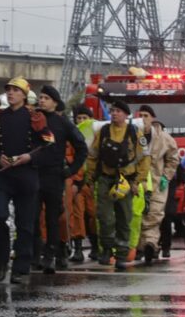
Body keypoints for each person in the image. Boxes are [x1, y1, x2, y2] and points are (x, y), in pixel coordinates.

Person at [0, 76, 52, 283]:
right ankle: (1, 260)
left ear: (24, 94)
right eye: (9, 90)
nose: (11, 93)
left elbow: (49, 145)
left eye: (15, 90)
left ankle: (21, 268)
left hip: (25, 175)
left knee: (25, 224)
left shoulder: (35, 117)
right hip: (2, 174)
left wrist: (30, 157)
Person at [85, 99, 150, 271]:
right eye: (112, 110)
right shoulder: (104, 132)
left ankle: (121, 255)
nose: (114, 113)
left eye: (118, 111)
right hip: (106, 180)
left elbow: (144, 159)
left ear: (126, 115)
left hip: (126, 182)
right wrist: (90, 178)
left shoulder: (135, 133)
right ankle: (106, 250)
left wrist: (138, 182)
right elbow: (93, 155)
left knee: (124, 218)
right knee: (104, 217)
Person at [32, 85, 86, 273]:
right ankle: (35, 253)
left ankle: (51, 255)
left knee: (53, 218)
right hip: (32, 173)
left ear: (55, 102)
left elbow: (82, 148)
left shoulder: (62, 123)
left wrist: (71, 171)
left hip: (54, 175)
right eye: (40, 97)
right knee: (32, 216)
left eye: (46, 98)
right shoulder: (33, 119)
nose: (42, 100)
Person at [135, 106, 179, 265]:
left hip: (156, 182)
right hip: (136, 183)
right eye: (140, 115)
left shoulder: (165, 138)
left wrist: (166, 176)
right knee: (137, 215)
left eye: (146, 115)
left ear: (152, 118)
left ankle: (150, 244)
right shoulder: (132, 135)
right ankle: (139, 247)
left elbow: (173, 159)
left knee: (154, 215)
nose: (143, 118)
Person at [70, 106, 99, 261]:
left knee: (94, 215)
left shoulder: (97, 134)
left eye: (84, 118)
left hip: (93, 181)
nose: (81, 121)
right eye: (79, 118)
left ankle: (96, 247)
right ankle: (78, 249)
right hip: (78, 180)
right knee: (77, 214)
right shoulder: (71, 134)